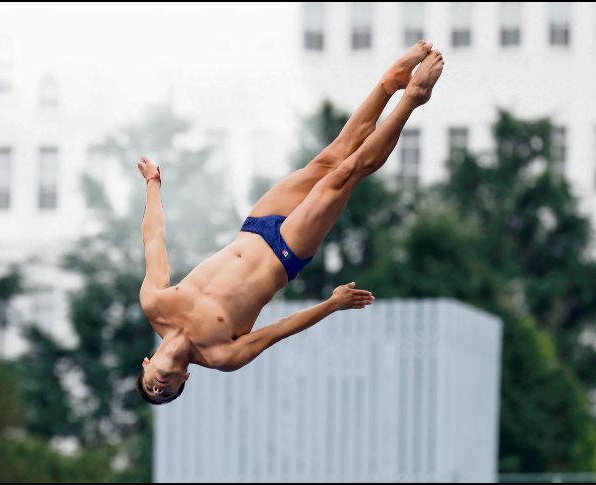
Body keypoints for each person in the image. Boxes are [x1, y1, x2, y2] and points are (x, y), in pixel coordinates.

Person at [136, 42, 444, 404]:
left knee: (330, 159)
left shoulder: (155, 304)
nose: (159, 389)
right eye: (166, 393)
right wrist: (331, 304)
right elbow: (280, 329)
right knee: (344, 174)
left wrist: (153, 185)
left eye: (151, 387)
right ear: (185, 378)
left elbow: (155, 240)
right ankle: (413, 97)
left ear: (146, 363)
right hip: (284, 252)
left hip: (254, 228)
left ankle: (388, 84)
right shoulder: (221, 355)